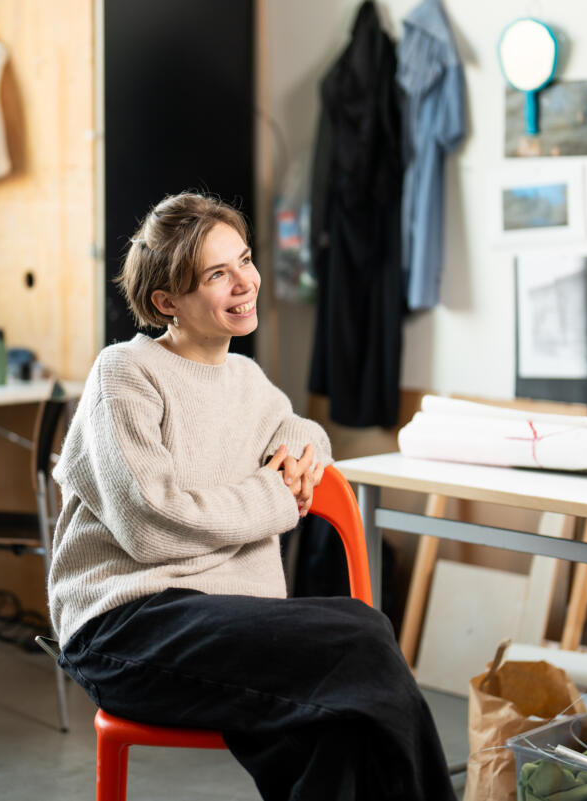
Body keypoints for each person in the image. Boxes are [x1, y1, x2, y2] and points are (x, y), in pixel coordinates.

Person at [48, 192, 456, 801]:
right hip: (125, 627)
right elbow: (152, 527)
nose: (246, 282)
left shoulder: (247, 379)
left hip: (226, 624)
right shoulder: (126, 374)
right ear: (167, 303)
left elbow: (301, 432)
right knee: (361, 636)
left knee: (343, 732)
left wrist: (295, 440)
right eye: (217, 274)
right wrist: (276, 497)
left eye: (244, 259)